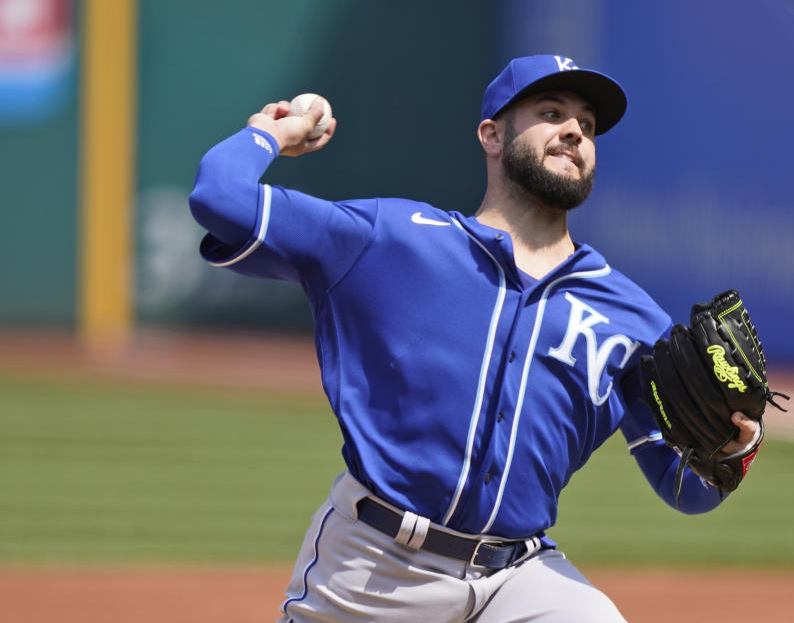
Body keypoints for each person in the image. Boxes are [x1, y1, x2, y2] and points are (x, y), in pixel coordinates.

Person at [189, 54, 761, 623]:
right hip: (375, 570)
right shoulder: (387, 240)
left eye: (587, 125)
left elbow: (685, 487)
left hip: (519, 578)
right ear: (491, 134)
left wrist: (733, 454)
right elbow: (221, 198)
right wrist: (270, 132)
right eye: (551, 111)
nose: (574, 131)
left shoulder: (634, 318)